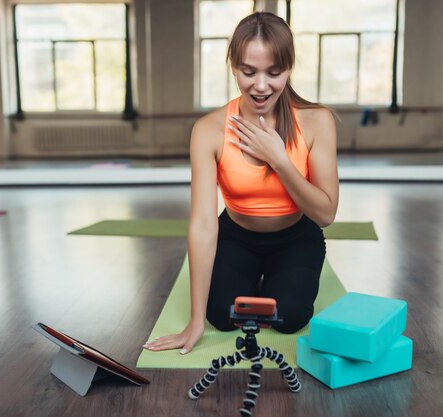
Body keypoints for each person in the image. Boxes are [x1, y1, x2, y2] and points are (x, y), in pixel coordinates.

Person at [143, 12, 338, 354]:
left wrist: (279, 159)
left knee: (290, 316)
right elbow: (204, 223)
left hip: (296, 237)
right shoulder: (208, 130)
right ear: (233, 67)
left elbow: (325, 214)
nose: (261, 86)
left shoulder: (317, 121)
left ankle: (274, 278)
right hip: (237, 236)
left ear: (289, 68)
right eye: (249, 72)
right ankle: (253, 276)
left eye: (274, 73)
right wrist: (195, 320)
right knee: (221, 315)